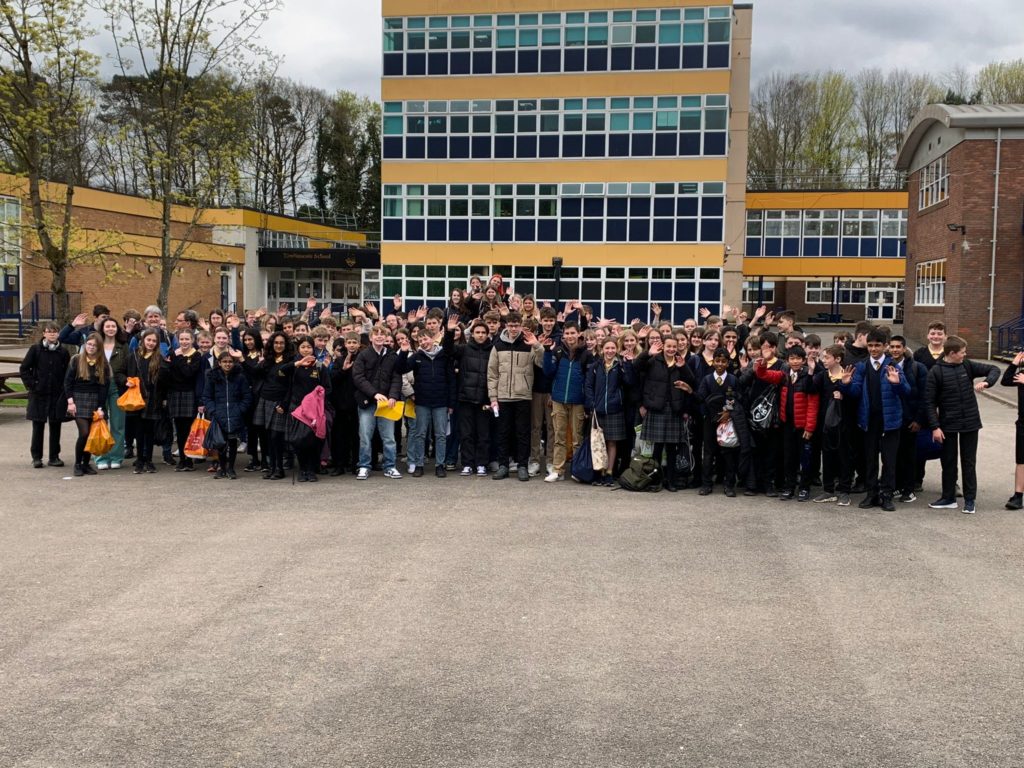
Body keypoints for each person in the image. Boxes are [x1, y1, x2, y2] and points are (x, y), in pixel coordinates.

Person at [924, 336, 999, 514]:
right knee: (948, 462)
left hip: (970, 423)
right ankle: (948, 498)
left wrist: (987, 382)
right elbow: (929, 402)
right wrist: (935, 426)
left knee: (969, 462)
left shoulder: (967, 365)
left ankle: (970, 500)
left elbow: (995, 369)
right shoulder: (936, 372)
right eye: (962, 352)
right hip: (947, 424)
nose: (965, 355)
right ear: (952, 353)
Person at [839, 329, 909, 511]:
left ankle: (886, 495)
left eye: (877, 345)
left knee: (889, 460)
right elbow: (855, 392)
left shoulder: (893, 366)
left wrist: (897, 383)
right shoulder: (862, 366)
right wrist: (845, 385)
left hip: (890, 421)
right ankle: (871, 494)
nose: (873, 349)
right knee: (870, 459)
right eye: (870, 345)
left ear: (885, 346)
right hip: (869, 421)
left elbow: (906, 391)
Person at [754, 345, 819, 502]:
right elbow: (764, 375)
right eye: (792, 358)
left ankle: (804, 488)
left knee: (805, 458)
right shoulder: (784, 375)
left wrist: (810, 427)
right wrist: (762, 364)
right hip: (787, 424)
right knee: (789, 457)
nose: (795, 361)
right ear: (787, 360)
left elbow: (813, 404)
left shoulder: (809, 376)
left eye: (798, 358)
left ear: (804, 360)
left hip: (803, 426)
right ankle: (789, 487)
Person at [634, 335, 696, 492]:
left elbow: (691, 381)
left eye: (674, 347)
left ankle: (671, 481)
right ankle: (656, 480)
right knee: (656, 448)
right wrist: (648, 353)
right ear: (663, 346)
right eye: (668, 346)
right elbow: (636, 367)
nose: (671, 349)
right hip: (657, 408)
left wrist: (683, 367)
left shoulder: (680, 362)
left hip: (674, 409)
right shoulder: (653, 360)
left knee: (672, 448)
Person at [488, 311, 544, 481]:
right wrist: (493, 397)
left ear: (521, 325)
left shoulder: (528, 344)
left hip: (523, 396)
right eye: (510, 325)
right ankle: (504, 465)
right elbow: (492, 373)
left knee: (522, 433)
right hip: (503, 396)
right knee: (503, 433)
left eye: (516, 325)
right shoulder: (497, 345)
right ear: (506, 326)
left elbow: (541, 362)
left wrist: (537, 345)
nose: (513, 328)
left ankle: (522, 466)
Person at [352, 324, 403, 480]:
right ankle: (364, 466)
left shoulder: (392, 355)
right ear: (371, 337)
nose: (379, 336)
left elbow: (397, 377)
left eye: (383, 334)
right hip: (367, 401)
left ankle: (390, 466)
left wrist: (394, 395)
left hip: (388, 403)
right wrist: (374, 394)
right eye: (376, 334)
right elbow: (358, 378)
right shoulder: (363, 355)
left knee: (388, 437)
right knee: (365, 435)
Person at [543, 323, 592, 483]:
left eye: (573, 333)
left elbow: (588, 379)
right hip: (558, 399)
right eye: (567, 333)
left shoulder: (586, 353)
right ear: (563, 335)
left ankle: (577, 470)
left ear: (579, 334)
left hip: (577, 400)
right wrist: (546, 352)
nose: (570, 336)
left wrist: (587, 403)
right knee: (559, 436)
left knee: (577, 437)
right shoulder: (558, 351)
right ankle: (558, 470)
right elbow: (548, 372)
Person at [584, 338, 635, 486]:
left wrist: (628, 364)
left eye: (613, 348)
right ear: (602, 349)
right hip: (598, 410)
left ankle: (609, 472)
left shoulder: (620, 365)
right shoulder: (595, 366)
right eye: (607, 348)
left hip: (615, 409)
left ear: (617, 349)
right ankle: (599, 471)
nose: (610, 351)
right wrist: (591, 404)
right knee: (599, 443)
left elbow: (629, 382)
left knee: (612, 442)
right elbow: (588, 387)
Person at [20, 322, 70, 468]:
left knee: (55, 426)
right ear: (44, 334)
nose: (52, 334)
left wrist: (64, 389)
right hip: (39, 394)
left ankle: (54, 456)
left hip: (56, 394)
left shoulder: (63, 352)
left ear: (58, 334)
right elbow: (24, 369)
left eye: (55, 331)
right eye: (49, 331)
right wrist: (32, 385)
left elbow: (68, 372)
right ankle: (36, 457)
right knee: (38, 426)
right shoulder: (35, 350)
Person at [447, 320, 493, 477]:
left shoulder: (493, 350)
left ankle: (481, 464)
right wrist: (449, 332)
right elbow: (448, 350)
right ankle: (467, 464)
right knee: (466, 434)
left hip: (484, 399)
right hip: (466, 398)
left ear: (488, 335)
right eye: (477, 332)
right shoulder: (464, 349)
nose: (480, 335)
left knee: (483, 434)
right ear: (472, 334)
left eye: (483, 333)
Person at [63, 333, 112, 476]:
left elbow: (104, 387)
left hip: (95, 400)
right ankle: (77, 464)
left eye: (94, 345)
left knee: (91, 434)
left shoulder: (103, 364)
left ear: (99, 348)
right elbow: (68, 382)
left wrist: (101, 408)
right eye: (89, 344)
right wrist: (70, 402)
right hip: (79, 400)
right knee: (84, 433)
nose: (91, 347)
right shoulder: (77, 360)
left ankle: (86, 464)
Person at [811, 345, 854, 507]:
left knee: (845, 457)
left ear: (837, 359)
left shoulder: (848, 374)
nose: (824, 361)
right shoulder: (822, 375)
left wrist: (845, 391)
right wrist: (811, 371)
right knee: (827, 456)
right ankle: (828, 490)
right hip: (826, 425)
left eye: (827, 358)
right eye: (823, 358)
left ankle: (844, 491)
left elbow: (855, 396)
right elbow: (810, 389)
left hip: (845, 424)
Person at [202, 351, 253, 479]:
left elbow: (246, 396)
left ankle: (231, 468)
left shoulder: (240, 377)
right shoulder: (212, 376)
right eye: (224, 362)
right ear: (219, 363)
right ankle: (222, 467)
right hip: (219, 415)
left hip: (235, 415)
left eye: (230, 362)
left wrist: (239, 410)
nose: (227, 364)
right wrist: (214, 411)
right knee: (220, 443)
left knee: (232, 442)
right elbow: (207, 397)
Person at [288, 335, 331, 482]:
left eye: (309, 347)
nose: (306, 350)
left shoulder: (320, 367)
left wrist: (317, 396)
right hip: (298, 409)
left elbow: (328, 388)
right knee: (299, 440)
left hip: (315, 410)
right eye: (303, 347)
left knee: (313, 441)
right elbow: (282, 379)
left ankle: (312, 469)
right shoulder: (294, 366)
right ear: (298, 349)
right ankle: (302, 469)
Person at [696, 348, 739, 495]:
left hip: (727, 421)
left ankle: (729, 485)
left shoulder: (733, 379)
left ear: (728, 363)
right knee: (708, 452)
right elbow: (701, 397)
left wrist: (728, 411)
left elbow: (736, 397)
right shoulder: (707, 379)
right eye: (717, 361)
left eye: (723, 361)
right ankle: (706, 484)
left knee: (728, 452)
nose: (720, 364)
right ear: (713, 362)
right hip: (710, 420)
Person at [163, 329, 205, 472]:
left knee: (189, 429)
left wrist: (179, 359)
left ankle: (190, 459)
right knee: (179, 429)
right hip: (175, 393)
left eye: (187, 339)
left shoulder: (197, 355)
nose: (184, 342)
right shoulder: (172, 353)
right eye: (181, 339)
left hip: (189, 394)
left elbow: (188, 373)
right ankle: (182, 458)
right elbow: (168, 373)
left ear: (192, 340)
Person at [253, 331, 294, 480]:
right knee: (268, 436)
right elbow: (255, 372)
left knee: (277, 436)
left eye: (281, 343)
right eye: (276, 343)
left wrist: (284, 403)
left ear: (286, 344)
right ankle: (272, 467)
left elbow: (290, 386)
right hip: (265, 399)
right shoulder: (268, 360)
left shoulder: (290, 360)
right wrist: (261, 361)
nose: (278, 345)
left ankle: (280, 469)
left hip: (280, 401)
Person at [124, 328, 166, 474]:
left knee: (149, 431)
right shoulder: (133, 356)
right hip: (136, 398)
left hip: (153, 399)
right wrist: (125, 381)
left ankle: (149, 460)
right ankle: (140, 460)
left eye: (154, 341)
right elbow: (121, 373)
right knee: (139, 431)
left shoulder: (159, 358)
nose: (151, 343)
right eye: (148, 340)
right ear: (143, 340)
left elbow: (164, 381)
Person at [94, 317, 130, 470]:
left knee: (118, 424)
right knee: (99, 422)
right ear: (102, 328)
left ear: (117, 329)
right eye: (107, 326)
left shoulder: (123, 346)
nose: (110, 329)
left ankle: (116, 456)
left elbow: (127, 367)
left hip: (117, 386)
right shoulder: (95, 345)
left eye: (113, 326)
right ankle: (101, 457)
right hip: (99, 386)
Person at [1001, 351, 1024, 510]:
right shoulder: (1021, 374)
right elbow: (1005, 381)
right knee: (1021, 460)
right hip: (1022, 423)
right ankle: (1018, 496)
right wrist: (1014, 363)